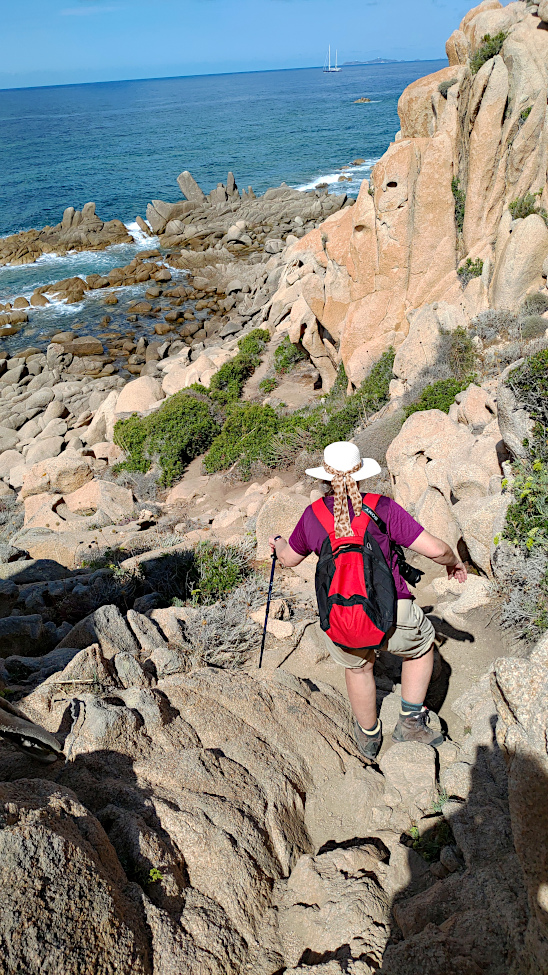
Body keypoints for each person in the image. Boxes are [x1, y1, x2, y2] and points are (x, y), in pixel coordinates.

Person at [269, 441, 467, 761]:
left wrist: (277, 543)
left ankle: (369, 735)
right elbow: (435, 549)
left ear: (324, 480)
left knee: (359, 669)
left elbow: (289, 559)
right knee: (421, 646)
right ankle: (411, 723)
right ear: (360, 476)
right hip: (392, 611)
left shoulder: (312, 516)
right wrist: (453, 562)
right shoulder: (382, 508)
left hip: (341, 615)